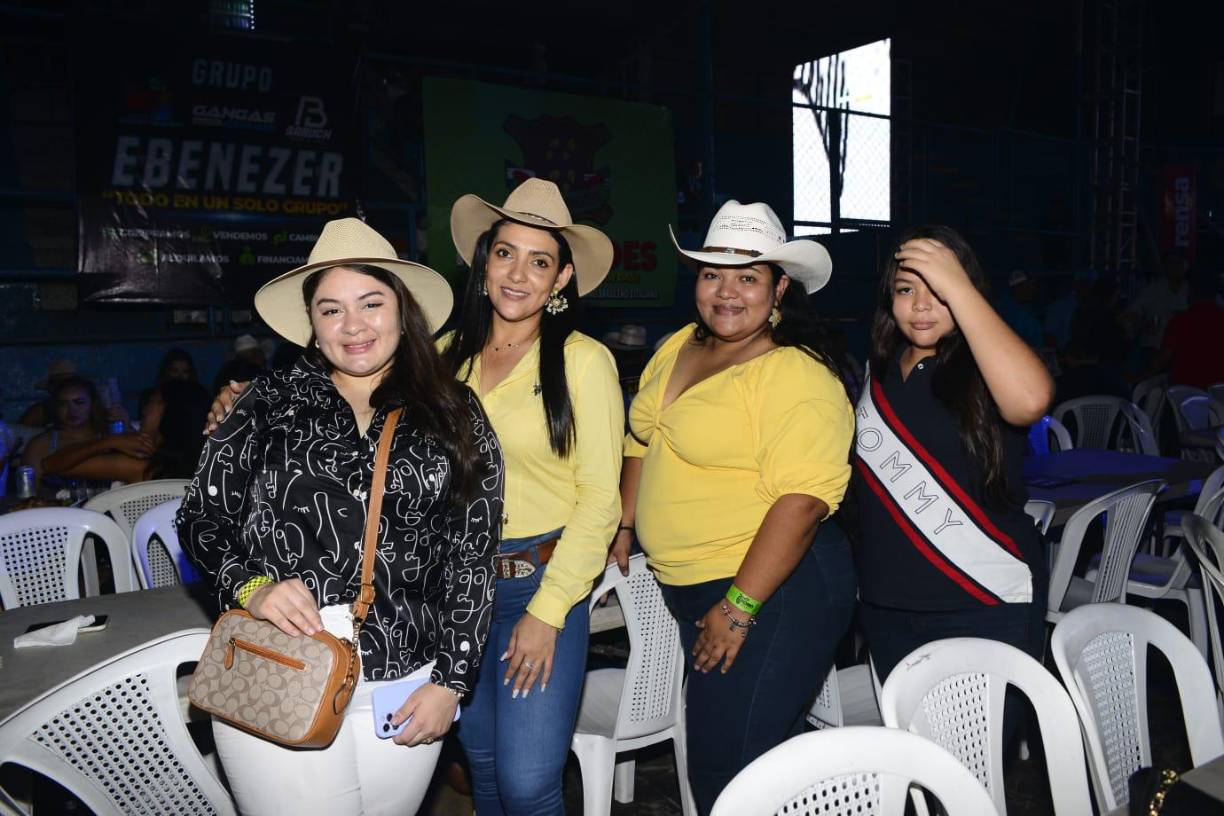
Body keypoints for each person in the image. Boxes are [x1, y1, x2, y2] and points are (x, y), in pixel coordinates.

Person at [177, 218, 504, 816]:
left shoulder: (455, 411)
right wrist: (252, 588)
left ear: (402, 312)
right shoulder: (265, 402)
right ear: (312, 324)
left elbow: (472, 555)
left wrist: (452, 682)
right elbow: (200, 518)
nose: (353, 326)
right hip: (279, 663)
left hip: (407, 680)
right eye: (331, 310)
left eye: (371, 303)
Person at [614, 200, 856, 814]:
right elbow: (644, 435)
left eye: (747, 277)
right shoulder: (679, 347)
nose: (727, 292)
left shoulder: (796, 375)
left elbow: (801, 503)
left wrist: (740, 606)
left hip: (775, 588)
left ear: (779, 290)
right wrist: (625, 521)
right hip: (702, 586)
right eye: (711, 274)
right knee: (751, 754)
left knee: (729, 769)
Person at [441, 178, 623, 815]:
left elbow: (602, 500)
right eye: (505, 254)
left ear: (562, 278)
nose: (518, 275)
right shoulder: (443, 357)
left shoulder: (582, 362)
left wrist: (547, 613)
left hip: (540, 582)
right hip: (456, 589)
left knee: (527, 781)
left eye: (539, 261)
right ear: (483, 260)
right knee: (484, 766)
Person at [854, 225, 1052, 689]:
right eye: (907, 290)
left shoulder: (984, 364)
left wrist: (957, 287)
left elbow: (1030, 400)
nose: (922, 305)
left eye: (939, 291)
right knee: (911, 760)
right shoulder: (879, 369)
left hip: (981, 597)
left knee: (975, 762)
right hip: (888, 603)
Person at [42, 379, 212, 483]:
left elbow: (51, 464)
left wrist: (109, 441)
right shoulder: (210, 461)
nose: (145, 408)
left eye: (153, 401)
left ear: (170, 412)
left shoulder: (141, 466)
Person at [19, 375, 112, 498]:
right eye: (63, 404)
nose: (71, 410)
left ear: (92, 404)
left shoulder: (110, 437)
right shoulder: (40, 445)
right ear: (55, 408)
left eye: (79, 402)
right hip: (59, 513)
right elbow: (30, 494)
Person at [1149, 268, 1224, 389]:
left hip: (1184, 396)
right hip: (1219, 395)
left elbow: (1162, 359)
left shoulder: (1179, 320)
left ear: (1191, 292)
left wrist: (1141, 377)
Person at [138, 348, 199, 415]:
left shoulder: (198, 399)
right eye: (175, 371)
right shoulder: (150, 397)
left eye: (185, 372)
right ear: (166, 372)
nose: (180, 376)